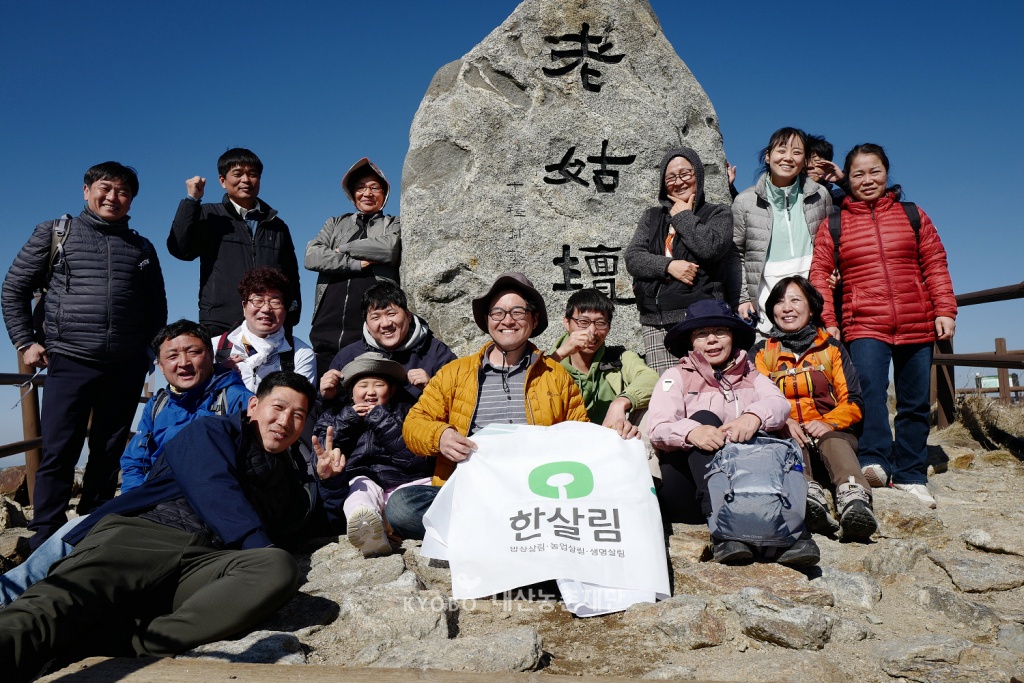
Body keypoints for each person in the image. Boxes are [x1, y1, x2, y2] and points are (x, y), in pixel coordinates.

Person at [0, 372, 347, 681]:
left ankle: (126, 643)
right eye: (278, 407)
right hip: (144, 536)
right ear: (253, 406)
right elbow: (212, 484)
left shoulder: (290, 477)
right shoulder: (210, 429)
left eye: (297, 415)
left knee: (276, 567)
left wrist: (327, 482)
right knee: (51, 608)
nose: (285, 421)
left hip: (206, 562)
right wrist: (258, 542)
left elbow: (310, 526)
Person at [0, 319, 252, 605]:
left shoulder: (237, 400)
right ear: (159, 364)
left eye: (193, 352)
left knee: (88, 542)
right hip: (151, 502)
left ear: (210, 354)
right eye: (172, 356)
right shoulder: (160, 405)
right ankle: (9, 595)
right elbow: (134, 460)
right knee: (74, 531)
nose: (183, 363)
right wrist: (134, 499)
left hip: (198, 509)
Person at [1, 161, 167, 550]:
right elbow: (13, 290)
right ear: (86, 190)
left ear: (131, 200)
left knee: (108, 452)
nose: (113, 197)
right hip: (70, 358)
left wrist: (147, 350)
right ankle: (46, 532)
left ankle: (93, 525)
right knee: (60, 448)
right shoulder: (55, 233)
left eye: (123, 192)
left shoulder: (141, 247)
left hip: (125, 364)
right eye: (105, 188)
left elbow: (155, 308)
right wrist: (26, 342)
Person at [386, 273, 590, 540]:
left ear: (534, 319)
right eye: (498, 312)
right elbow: (414, 424)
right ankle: (510, 531)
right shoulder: (455, 372)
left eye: (518, 312)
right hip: (469, 491)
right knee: (401, 506)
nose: (507, 320)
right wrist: (442, 435)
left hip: (535, 492)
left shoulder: (556, 375)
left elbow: (581, 435)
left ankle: (489, 532)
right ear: (487, 320)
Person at [810, 144, 956, 508]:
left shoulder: (911, 214)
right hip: (863, 322)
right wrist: (828, 320)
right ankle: (874, 460)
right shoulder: (835, 222)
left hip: (916, 318)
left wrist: (945, 310)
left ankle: (910, 473)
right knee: (870, 393)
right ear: (848, 179)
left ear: (887, 173)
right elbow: (819, 274)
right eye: (858, 174)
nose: (867, 180)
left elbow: (935, 263)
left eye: (874, 171)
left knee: (915, 401)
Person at [646, 300, 818, 566]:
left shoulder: (753, 374)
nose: (712, 340)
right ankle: (725, 531)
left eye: (720, 332)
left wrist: (753, 416)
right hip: (690, 491)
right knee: (704, 419)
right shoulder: (674, 376)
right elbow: (658, 427)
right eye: (701, 334)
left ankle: (786, 533)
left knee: (768, 432)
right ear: (691, 343)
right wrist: (693, 432)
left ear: (733, 336)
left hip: (748, 483)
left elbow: (779, 404)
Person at [753, 277, 877, 540]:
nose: (786, 307)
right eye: (779, 301)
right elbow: (759, 401)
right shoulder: (761, 353)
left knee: (832, 440)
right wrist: (782, 421)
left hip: (833, 438)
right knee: (789, 442)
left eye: (795, 300)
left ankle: (854, 499)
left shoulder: (831, 348)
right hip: (787, 438)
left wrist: (828, 422)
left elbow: (853, 401)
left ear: (811, 307)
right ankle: (808, 498)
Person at [625, 146, 738, 375]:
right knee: (666, 392)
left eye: (686, 174)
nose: (679, 182)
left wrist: (684, 216)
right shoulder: (652, 217)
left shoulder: (719, 213)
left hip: (703, 320)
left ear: (698, 174)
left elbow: (712, 249)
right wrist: (668, 266)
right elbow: (633, 258)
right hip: (656, 321)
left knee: (703, 391)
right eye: (671, 177)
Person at [167, 148, 301, 335]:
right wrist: (192, 201)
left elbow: (291, 275)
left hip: (269, 321)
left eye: (252, 174)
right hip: (221, 322)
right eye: (237, 174)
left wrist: (291, 316)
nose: (246, 180)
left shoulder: (277, 225)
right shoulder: (209, 214)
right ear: (222, 180)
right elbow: (181, 250)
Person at [314, 353, 432, 558]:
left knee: (425, 489)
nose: (370, 392)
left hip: (405, 481)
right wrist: (347, 420)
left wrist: (380, 419)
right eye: (363, 386)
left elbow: (415, 459)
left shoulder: (409, 412)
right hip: (363, 480)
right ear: (351, 393)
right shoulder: (334, 415)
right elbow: (324, 450)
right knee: (359, 491)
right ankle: (369, 531)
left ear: (392, 390)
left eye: (378, 385)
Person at [306, 158, 401, 377]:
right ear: (352, 193)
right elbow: (312, 256)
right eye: (360, 188)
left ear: (385, 192)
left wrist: (342, 248)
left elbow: (390, 248)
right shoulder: (335, 223)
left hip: (369, 329)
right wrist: (356, 263)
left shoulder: (393, 223)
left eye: (374, 187)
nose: (367, 193)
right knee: (324, 391)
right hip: (326, 327)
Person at [732, 127, 833, 335]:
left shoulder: (820, 195)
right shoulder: (745, 201)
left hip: (814, 305)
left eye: (796, 152)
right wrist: (742, 298)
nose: (788, 158)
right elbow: (736, 254)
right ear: (768, 157)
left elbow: (832, 244)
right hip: (765, 309)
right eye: (781, 150)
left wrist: (835, 271)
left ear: (805, 161)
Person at [319, 282, 456, 404]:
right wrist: (328, 396)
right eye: (376, 317)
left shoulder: (437, 352)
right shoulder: (347, 357)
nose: (385, 323)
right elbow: (328, 416)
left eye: (391, 314)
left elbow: (462, 401)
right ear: (366, 324)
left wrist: (432, 387)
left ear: (408, 316)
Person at [548, 288, 656, 438]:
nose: (592, 331)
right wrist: (560, 354)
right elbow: (528, 392)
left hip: (612, 440)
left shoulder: (619, 358)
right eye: (583, 322)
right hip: (563, 443)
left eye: (600, 323)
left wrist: (620, 402)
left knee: (650, 411)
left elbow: (652, 379)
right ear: (567, 322)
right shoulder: (549, 362)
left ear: (609, 327)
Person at [214, 266, 316, 392]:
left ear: (286, 309)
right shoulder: (213, 348)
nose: (266, 309)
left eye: (275, 302)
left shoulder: (301, 354)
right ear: (244, 306)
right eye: (258, 300)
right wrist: (215, 376)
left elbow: (300, 404)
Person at [805, 135, 846, 207]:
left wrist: (842, 181)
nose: (809, 166)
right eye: (805, 161)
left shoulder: (838, 199)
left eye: (816, 161)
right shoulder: (787, 196)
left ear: (828, 164)